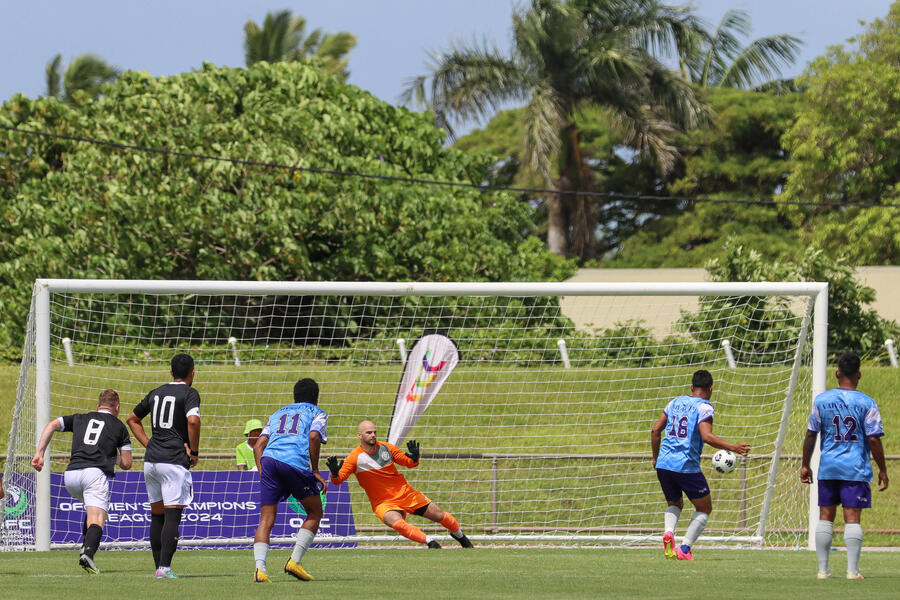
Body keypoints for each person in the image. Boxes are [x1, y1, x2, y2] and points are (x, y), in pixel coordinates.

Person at [800, 352, 888, 580]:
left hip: (828, 467)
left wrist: (805, 464)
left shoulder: (821, 401)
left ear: (837, 373)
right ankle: (852, 570)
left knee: (825, 516)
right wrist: (883, 469)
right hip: (855, 469)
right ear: (859, 375)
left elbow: (811, 434)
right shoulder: (867, 403)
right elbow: (873, 439)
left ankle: (823, 570)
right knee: (852, 517)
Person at [650, 369, 750, 561]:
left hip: (664, 463)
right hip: (685, 465)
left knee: (675, 503)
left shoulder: (674, 402)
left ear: (691, 387)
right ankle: (684, 549)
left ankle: (669, 532)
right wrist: (734, 447)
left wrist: (655, 458)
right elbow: (707, 436)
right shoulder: (704, 407)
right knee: (704, 508)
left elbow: (655, 430)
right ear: (710, 388)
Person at [326, 420, 473, 550]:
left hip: (406, 494)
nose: (373, 435)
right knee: (397, 523)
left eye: (374, 432)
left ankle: (460, 536)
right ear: (359, 435)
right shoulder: (354, 457)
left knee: (440, 515)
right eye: (369, 433)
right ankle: (430, 542)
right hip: (383, 502)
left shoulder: (386, 448)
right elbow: (338, 480)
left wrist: (414, 458)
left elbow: (407, 462)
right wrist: (334, 473)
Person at [31, 389, 132, 574]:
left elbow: (52, 425)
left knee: (90, 508)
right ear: (117, 408)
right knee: (98, 519)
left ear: (98, 406)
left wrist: (40, 453)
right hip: (94, 474)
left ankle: (86, 547)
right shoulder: (119, 427)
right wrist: (112, 454)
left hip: (71, 475)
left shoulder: (80, 418)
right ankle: (88, 553)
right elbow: (126, 463)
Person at [126, 353, 201, 580]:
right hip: (173, 461)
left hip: (151, 461)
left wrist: (149, 444)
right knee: (172, 515)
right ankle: (165, 568)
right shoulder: (189, 393)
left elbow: (132, 419)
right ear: (192, 373)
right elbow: (193, 420)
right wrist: (194, 452)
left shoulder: (156, 392)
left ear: (171, 372)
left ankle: (159, 567)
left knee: (157, 515)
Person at [251, 378, 329, 583]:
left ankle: (260, 570)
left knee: (266, 519)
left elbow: (258, 446)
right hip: (294, 461)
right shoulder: (317, 412)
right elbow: (314, 436)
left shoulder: (278, 413)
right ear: (316, 397)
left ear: (294, 397)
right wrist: (315, 470)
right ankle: (294, 561)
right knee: (315, 511)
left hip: (269, 460)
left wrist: (263, 474)